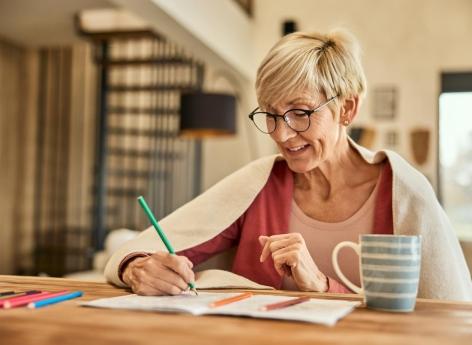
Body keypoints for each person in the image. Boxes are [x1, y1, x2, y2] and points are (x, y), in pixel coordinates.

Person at [104, 30, 472, 300]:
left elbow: (445, 313)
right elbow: (141, 249)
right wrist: (140, 268)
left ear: (347, 109)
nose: (281, 134)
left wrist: (323, 286)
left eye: (299, 113)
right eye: (271, 114)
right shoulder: (260, 183)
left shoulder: (404, 193)